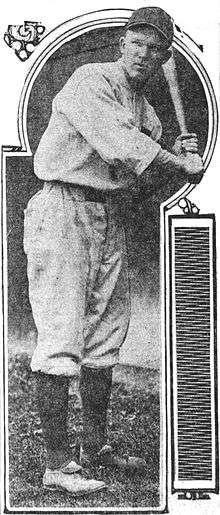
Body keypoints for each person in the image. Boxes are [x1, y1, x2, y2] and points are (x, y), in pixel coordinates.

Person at [23, 6, 204, 496]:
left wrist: (182, 164)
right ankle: (57, 464)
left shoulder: (147, 112)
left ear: (165, 54)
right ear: (122, 42)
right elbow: (121, 147)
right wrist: (175, 161)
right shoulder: (92, 80)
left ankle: (96, 447)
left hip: (110, 216)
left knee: (106, 334)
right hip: (62, 207)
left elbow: (142, 184)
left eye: (156, 48)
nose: (145, 54)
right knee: (62, 332)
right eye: (137, 43)